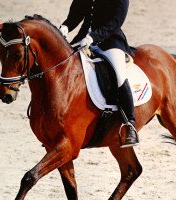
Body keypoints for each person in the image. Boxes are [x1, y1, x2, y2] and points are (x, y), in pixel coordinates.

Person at [59, 0, 139, 147]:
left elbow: (116, 21)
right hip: (83, 40)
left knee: (118, 75)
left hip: (110, 41)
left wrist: (94, 37)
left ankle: (130, 124)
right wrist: (65, 26)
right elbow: (76, 14)